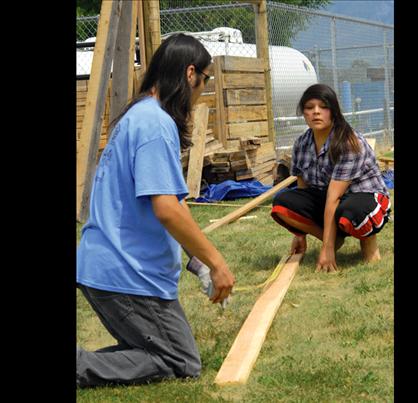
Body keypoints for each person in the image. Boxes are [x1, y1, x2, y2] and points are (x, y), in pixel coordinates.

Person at [76, 33, 235, 387]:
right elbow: (166, 210)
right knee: (179, 361)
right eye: (205, 80)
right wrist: (218, 263)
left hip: (108, 268)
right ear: (190, 73)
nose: (202, 91)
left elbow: (172, 205)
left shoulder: (140, 117)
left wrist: (197, 263)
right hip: (125, 276)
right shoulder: (154, 125)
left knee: (155, 351)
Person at [271, 84, 391, 273]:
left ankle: (369, 247)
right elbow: (304, 191)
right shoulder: (301, 144)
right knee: (283, 202)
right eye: (309, 107)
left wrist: (326, 250)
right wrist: (299, 233)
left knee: (351, 210)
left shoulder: (350, 143)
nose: (316, 112)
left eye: (323, 107)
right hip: (330, 200)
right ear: (303, 113)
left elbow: (334, 198)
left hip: (365, 198)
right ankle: (335, 239)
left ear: (333, 111)